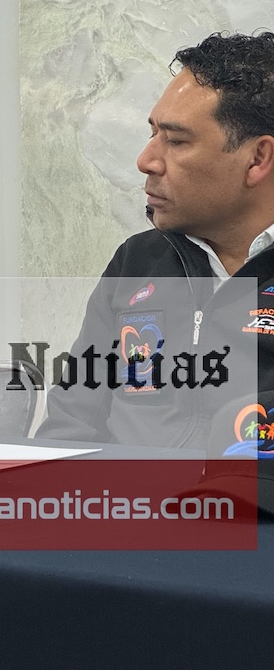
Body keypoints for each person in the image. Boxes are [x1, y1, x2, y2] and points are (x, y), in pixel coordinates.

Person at [38, 32, 274, 447]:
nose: (146, 160)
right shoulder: (138, 261)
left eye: (177, 141)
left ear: (257, 158)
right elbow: (72, 422)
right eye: (153, 134)